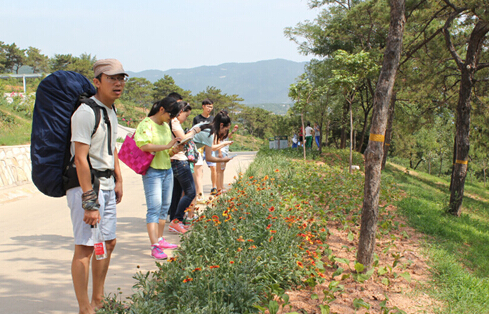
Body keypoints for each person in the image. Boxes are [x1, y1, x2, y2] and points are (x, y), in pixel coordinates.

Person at [67, 58, 126, 314]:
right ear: (97, 81)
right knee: (85, 246)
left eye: (122, 78)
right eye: (112, 78)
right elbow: (80, 158)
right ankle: (84, 307)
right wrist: (89, 202)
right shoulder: (86, 112)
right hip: (87, 187)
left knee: (108, 242)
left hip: (107, 184)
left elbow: (111, 147)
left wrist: (119, 178)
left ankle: (98, 299)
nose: (118, 83)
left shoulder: (110, 110)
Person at [134, 97, 184, 260]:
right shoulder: (146, 124)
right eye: (170, 115)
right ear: (162, 110)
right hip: (152, 171)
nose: (171, 119)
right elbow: (144, 146)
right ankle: (154, 246)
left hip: (166, 169)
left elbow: (166, 152)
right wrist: (167, 146)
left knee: (165, 207)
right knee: (154, 209)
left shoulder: (165, 126)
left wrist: (174, 150)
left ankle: (160, 239)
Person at [169, 103, 201, 227]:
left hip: (174, 160)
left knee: (177, 193)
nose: (185, 119)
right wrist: (194, 131)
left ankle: (174, 220)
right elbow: (182, 139)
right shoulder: (174, 122)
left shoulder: (170, 122)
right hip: (179, 160)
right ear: (180, 111)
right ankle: (177, 219)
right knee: (191, 192)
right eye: (186, 116)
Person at [192, 110, 234, 206]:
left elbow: (211, 147)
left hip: (189, 154)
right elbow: (209, 157)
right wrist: (223, 160)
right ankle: (188, 212)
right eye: (226, 129)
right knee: (193, 186)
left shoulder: (208, 126)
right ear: (221, 125)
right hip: (188, 155)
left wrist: (224, 143)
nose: (226, 132)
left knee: (191, 185)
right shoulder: (209, 132)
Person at [192, 99, 218, 196]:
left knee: (213, 167)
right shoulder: (197, 119)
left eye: (211, 107)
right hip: (199, 147)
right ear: (203, 106)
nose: (210, 109)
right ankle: (199, 190)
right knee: (199, 170)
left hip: (209, 146)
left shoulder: (213, 119)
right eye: (208, 106)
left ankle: (214, 187)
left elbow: (215, 133)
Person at [217, 123, 238, 193]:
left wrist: (232, 132)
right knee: (219, 170)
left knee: (222, 170)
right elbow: (218, 141)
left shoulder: (225, 130)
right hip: (222, 151)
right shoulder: (220, 129)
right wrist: (219, 152)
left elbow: (226, 138)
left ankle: (221, 185)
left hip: (225, 151)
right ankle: (219, 187)